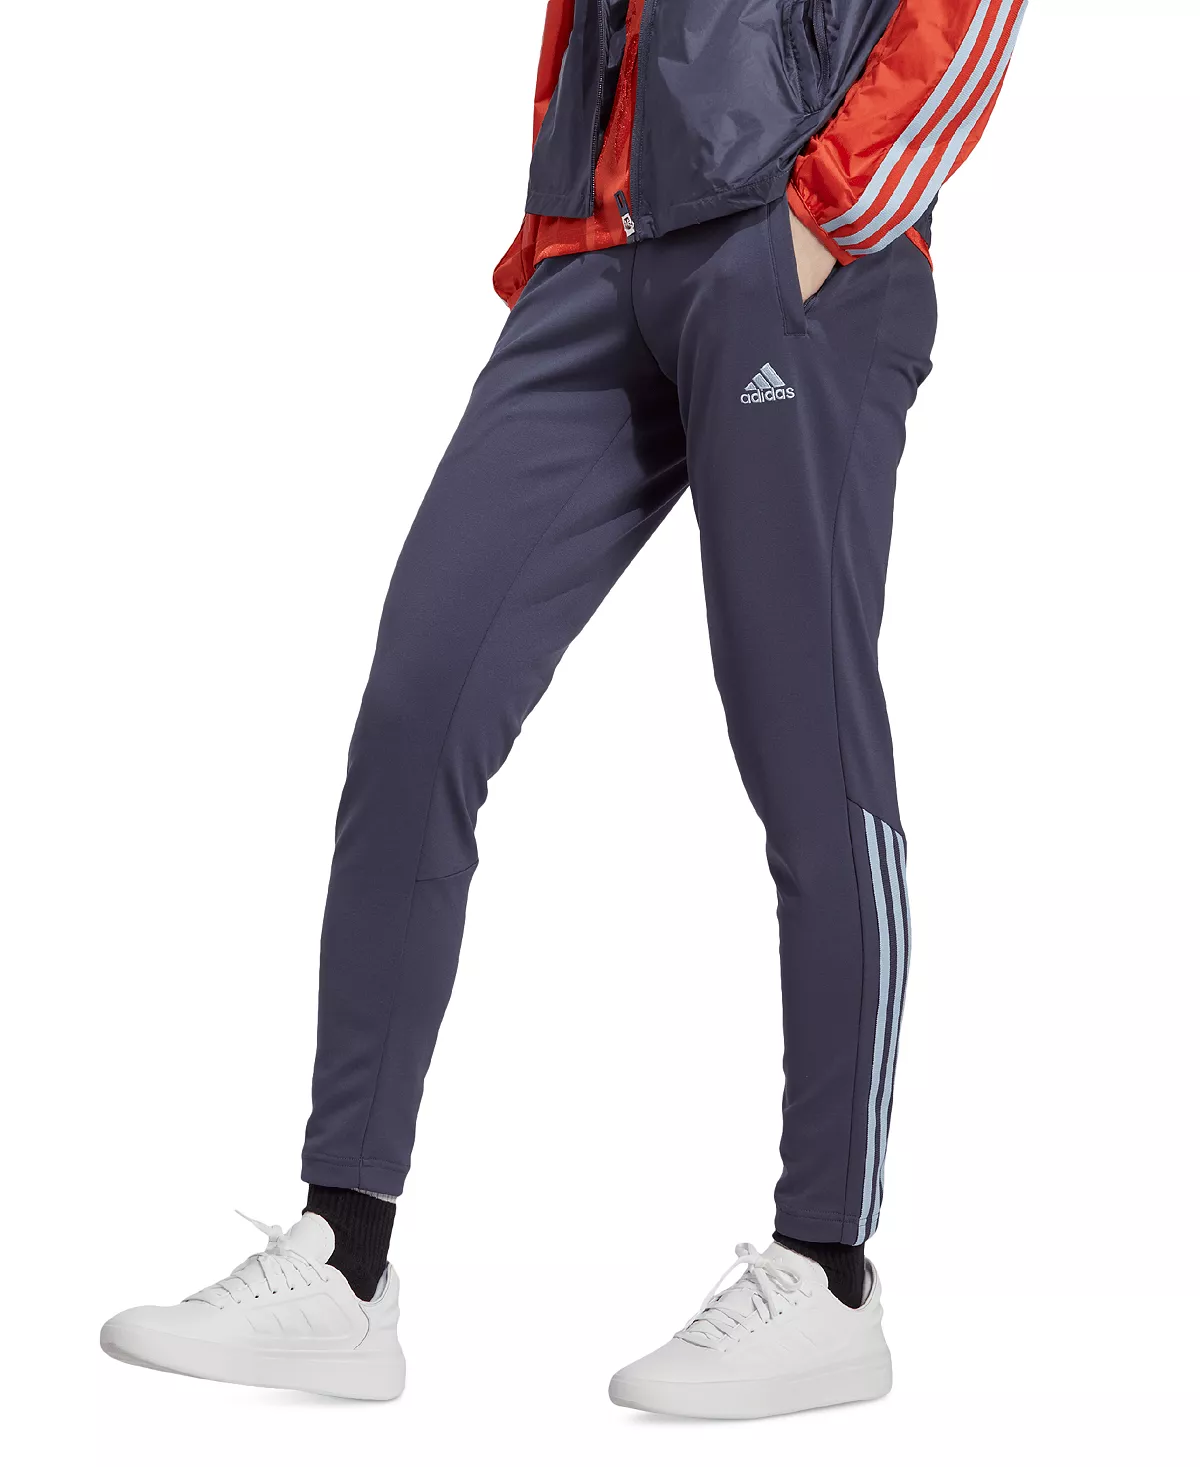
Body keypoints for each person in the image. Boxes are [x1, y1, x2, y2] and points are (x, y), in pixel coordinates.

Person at [101, 0, 1025, 1414]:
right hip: (602, 242)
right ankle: (344, 1257)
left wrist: (831, 212)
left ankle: (829, 1270)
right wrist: (558, 208)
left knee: (808, 745)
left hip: (792, 241)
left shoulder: (816, 225)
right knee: (420, 702)